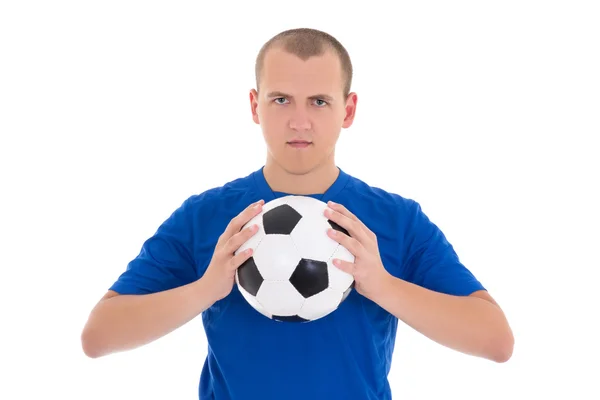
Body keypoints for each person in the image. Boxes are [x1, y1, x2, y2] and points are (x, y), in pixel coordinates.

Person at [81, 27, 514, 399]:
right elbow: (98, 337)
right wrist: (204, 290)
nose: (300, 121)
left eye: (319, 102)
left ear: (348, 110)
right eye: (282, 100)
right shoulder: (206, 216)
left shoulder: (397, 220)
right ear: (255, 106)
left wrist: (383, 286)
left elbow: (496, 340)